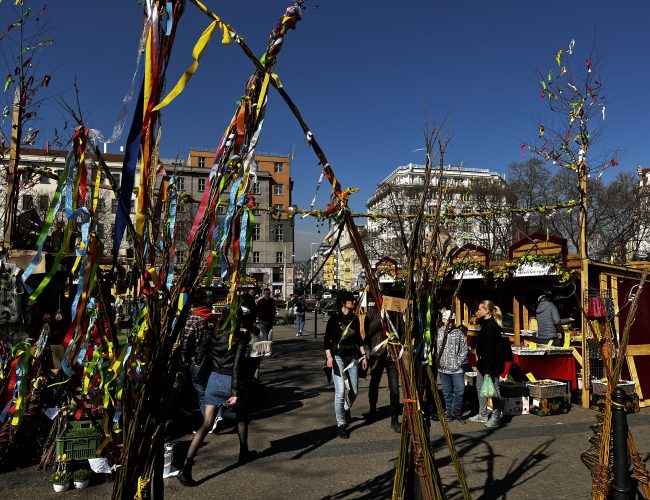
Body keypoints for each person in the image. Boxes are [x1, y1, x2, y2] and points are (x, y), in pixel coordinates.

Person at [178, 298, 256, 486]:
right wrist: (236, 391)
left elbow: (199, 354)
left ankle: (186, 466)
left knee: (206, 423)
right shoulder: (239, 338)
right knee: (241, 417)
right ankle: (243, 452)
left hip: (214, 378)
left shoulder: (211, 334)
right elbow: (237, 366)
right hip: (231, 381)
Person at [324, 291, 368, 439]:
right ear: (344, 303)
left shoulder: (355, 318)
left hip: (353, 357)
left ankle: (346, 408)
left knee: (354, 391)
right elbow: (326, 341)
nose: (353, 302)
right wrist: (329, 357)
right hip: (337, 357)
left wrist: (364, 356)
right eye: (350, 300)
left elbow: (359, 339)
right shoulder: (334, 318)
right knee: (340, 391)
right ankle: (341, 424)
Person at [364, 295, 401, 433]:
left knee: (394, 387)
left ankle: (394, 418)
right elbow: (368, 333)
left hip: (392, 353)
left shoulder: (394, 310)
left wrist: (398, 343)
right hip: (378, 353)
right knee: (375, 383)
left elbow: (400, 330)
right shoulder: (372, 311)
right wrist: (380, 318)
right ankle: (372, 410)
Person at [469, 300, 505, 429]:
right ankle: (482, 413)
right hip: (482, 363)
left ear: (487, 311)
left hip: (491, 365)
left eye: (480, 309)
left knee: (493, 391)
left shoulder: (492, 327)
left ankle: (496, 416)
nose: (478, 311)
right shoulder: (484, 324)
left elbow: (492, 350)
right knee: (480, 387)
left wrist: (489, 370)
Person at [181, 288, 216, 417]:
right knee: (208, 389)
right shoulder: (212, 318)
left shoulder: (193, 319)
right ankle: (215, 416)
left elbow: (186, 342)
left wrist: (185, 359)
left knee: (201, 391)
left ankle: (208, 420)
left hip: (196, 360)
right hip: (211, 359)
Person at [436, 309, 468, 424]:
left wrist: (458, 362)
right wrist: (437, 361)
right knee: (447, 391)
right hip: (443, 367)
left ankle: (456, 411)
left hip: (456, 368)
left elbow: (464, 349)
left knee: (460, 389)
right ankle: (449, 412)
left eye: (452, 321)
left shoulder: (458, 333)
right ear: (444, 320)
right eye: (448, 321)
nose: (450, 323)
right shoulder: (439, 332)